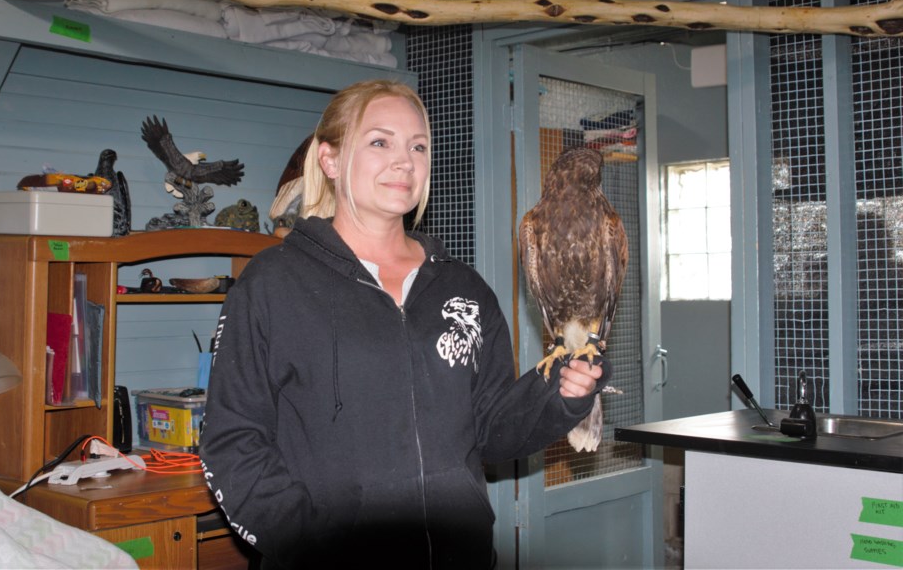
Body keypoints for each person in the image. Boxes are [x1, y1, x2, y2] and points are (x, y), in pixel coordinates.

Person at [199, 79, 610, 569]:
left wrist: (560, 396)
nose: (404, 161)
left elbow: (493, 429)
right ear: (330, 160)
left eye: (418, 146)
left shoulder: (464, 290)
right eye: (380, 142)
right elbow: (231, 442)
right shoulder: (272, 284)